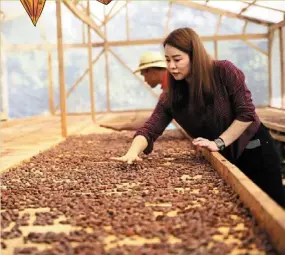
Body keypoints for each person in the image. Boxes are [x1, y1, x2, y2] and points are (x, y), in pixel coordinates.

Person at [111, 27, 285, 208]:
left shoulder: (223, 71)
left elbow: (246, 113)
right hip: (224, 157)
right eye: (168, 60)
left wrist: (218, 142)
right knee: (245, 208)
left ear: (194, 56)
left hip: (254, 149)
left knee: (274, 204)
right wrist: (132, 152)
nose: (171, 66)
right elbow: (149, 129)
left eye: (177, 59)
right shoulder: (171, 96)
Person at [99, 51, 168, 131]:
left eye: (144, 75)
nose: (145, 80)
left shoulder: (170, 90)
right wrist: (124, 126)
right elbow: (156, 118)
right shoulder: (172, 83)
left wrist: (123, 126)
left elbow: (155, 120)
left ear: (152, 71)